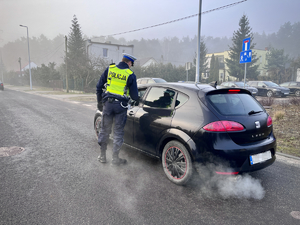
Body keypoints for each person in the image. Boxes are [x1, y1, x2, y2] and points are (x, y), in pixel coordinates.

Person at [96, 53, 139, 165]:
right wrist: (137, 100)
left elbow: (99, 86)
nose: (131, 66)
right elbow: (134, 96)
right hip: (121, 106)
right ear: (129, 63)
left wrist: (99, 102)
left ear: (122, 60)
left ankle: (102, 156)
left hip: (108, 105)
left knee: (105, 129)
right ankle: (115, 159)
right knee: (118, 131)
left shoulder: (110, 69)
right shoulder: (130, 74)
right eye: (131, 64)